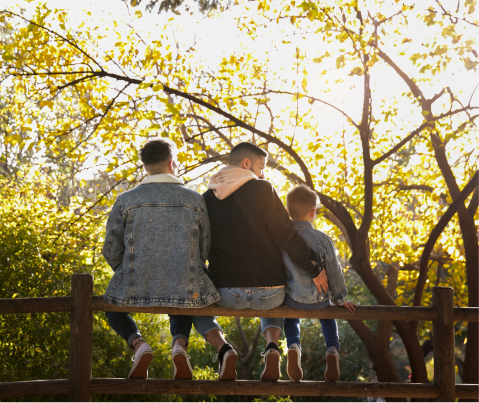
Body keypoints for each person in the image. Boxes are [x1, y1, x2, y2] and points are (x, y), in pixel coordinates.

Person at [102, 138, 238, 381]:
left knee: (111, 307)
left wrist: (127, 270)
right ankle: (180, 347)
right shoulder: (194, 199)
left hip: (137, 283)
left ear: (145, 165)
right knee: (185, 294)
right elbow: (205, 246)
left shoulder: (126, 200)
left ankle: (138, 344)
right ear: (171, 163)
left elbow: (111, 249)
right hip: (183, 284)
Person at [203, 142, 327, 381]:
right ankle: (272, 346)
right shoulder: (262, 189)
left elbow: (202, 243)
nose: (263, 174)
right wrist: (314, 268)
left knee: (193, 303)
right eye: (261, 167)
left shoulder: (208, 196)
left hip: (227, 293)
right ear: (246, 164)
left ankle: (224, 349)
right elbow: (286, 235)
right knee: (277, 297)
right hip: (269, 293)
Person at [282, 184, 356, 382]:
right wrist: (340, 298)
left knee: (290, 319)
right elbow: (333, 271)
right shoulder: (323, 239)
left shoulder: (282, 239)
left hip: (292, 299)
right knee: (328, 317)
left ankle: (293, 347)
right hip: (320, 300)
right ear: (313, 212)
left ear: (287, 211)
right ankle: (332, 350)